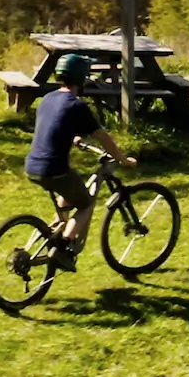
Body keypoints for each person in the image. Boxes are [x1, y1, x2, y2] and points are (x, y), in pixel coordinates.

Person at [23, 53, 134, 269]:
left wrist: (72, 136)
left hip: (32, 167)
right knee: (86, 203)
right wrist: (122, 159)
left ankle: (58, 231)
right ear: (82, 78)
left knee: (70, 192)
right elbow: (103, 138)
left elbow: (52, 126)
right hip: (55, 169)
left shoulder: (48, 98)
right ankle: (63, 248)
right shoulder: (77, 106)